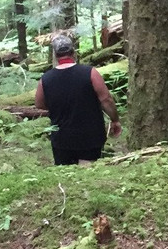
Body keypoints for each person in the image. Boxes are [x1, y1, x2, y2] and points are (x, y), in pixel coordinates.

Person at [35, 35, 122, 165]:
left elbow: (39, 104)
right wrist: (115, 120)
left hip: (61, 138)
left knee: (67, 176)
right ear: (73, 52)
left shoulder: (45, 79)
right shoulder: (90, 73)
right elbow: (106, 99)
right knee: (87, 174)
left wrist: (58, 106)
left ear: (55, 55)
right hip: (90, 136)